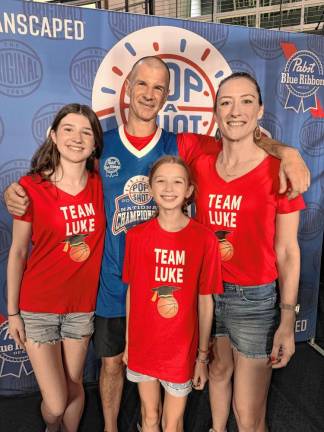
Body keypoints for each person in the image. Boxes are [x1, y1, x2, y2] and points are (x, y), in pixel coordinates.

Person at [4, 57, 310, 432]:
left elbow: (239, 135)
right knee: (113, 364)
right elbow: (58, 177)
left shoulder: (182, 144)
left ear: (167, 96)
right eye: (142, 85)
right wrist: (19, 193)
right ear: (128, 88)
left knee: (187, 377)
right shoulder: (100, 146)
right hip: (114, 286)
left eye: (159, 87)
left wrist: (288, 152)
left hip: (175, 288)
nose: (149, 94)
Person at [187, 72, 305, 432]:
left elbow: (287, 252)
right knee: (218, 370)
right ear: (215, 111)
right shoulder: (198, 153)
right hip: (208, 292)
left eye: (246, 101)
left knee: (249, 413)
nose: (235, 111)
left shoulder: (280, 171)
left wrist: (287, 320)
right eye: (226, 102)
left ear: (260, 110)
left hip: (253, 300)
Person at [6, 103, 105, 432]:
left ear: (94, 144)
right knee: (56, 401)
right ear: (53, 135)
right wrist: (13, 312)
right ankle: (52, 427)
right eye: (68, 129)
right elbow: (18, 251)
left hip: (81, 308)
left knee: (75, 384)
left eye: (86, 132)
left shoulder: (100, 186)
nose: (77, 138)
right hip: (38, 307)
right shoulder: (30, 188)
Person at [122, 155, 222, 432]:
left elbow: (205, 302)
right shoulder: (136, 237)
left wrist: (202, 357)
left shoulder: (205, 239)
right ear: (151, 188)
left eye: (177, 181)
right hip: (144, 345)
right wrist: (129, 342)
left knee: (172, 422)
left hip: (180, 350)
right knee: (150, 416)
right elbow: (134, 292)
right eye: (161, 181)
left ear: (189, 190)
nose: (169, 188)